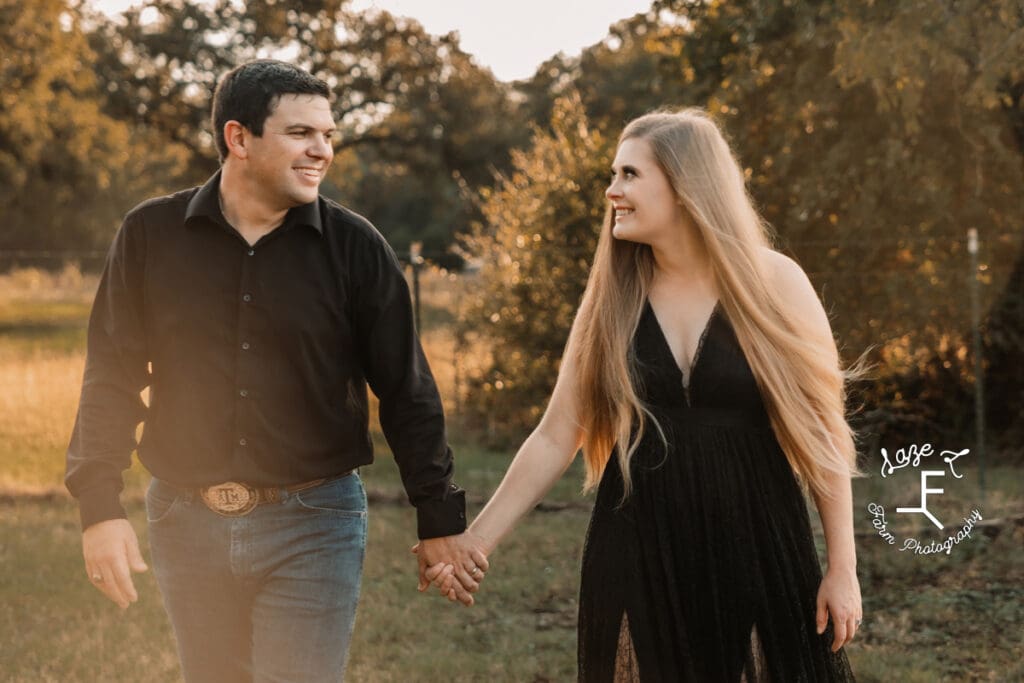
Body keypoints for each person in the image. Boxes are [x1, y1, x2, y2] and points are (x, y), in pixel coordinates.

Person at [65, 59, 486, 682]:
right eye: (301, 134)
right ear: (239, 138)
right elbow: (112, 375)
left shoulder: (356, 247)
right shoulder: (150, 234)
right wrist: (99, 507)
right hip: (184, 519)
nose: (322, 150)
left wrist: (439, 517)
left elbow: (405, 389)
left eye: (328, 135)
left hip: (314, 522)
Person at [423, 108, 862, 681]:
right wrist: (474, 542)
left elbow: (826, 434)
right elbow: (557, 434)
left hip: (757, 538)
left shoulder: (776, 282)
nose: (612, 192)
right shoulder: (612, 299)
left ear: (686, 185)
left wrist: (842, 568)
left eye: (629, 175)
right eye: (614, 175)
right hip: (638, 544)